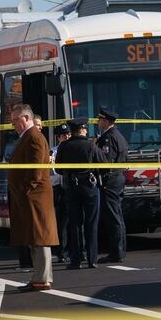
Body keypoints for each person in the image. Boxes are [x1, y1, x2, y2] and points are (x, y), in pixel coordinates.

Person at [7, 104, 58, 291]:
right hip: (30, 196)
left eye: (15, 120)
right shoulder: (27, 137)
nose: (13, 124)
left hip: (34, 197)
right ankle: (39, 277)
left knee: (40, 238)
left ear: (26, 118)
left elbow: (36, 171)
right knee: (34, 238)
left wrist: (24, 190)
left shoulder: (34, 137)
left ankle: (42, 278)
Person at [55, 118, 106, 269]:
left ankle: (76, 260)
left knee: (75, 224)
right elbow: (104, 166)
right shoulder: (91, 145)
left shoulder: (64, 146)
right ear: (83, 129)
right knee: (91, 223)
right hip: (90, 186)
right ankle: (92, 259)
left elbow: (58, 169)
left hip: (71, 187)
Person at [95, 107, 129, 263]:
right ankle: (120, 250)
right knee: (118, 216)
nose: (98, 122)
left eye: (100, 119)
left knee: (113, 217)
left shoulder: (108, 138)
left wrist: (95, 148)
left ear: (106, 121)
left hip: (110, 180)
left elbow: (106, 162)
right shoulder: (119, 136)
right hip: (118, 178)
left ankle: (116, 252)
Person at [50, 123, 72, 263]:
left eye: (69, 135)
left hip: (72, 187)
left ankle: (76, 250)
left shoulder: (73, 149)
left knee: (75, 221)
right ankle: (62, 252)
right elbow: (52, 174)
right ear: (58, 138)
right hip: (60, 188)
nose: (67, 137)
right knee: (62, 222)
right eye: (64, 135)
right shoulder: (53, 151)